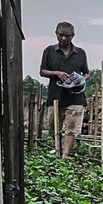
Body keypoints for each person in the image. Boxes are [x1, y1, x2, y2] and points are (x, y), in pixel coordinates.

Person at [40, 22, 90, 158]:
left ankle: (65, 155)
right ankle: (58, 149)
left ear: (72, 36)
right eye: (60, 35)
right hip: (56, 95)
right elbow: (42, 71)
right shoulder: (49, 51)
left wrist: (80, 79)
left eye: (66, 36)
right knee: (53, 126)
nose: (63, 38)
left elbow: (86, 72)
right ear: (56, 34)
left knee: (71, 127)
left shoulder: (80, 53)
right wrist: (57, 73)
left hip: (75, 96)